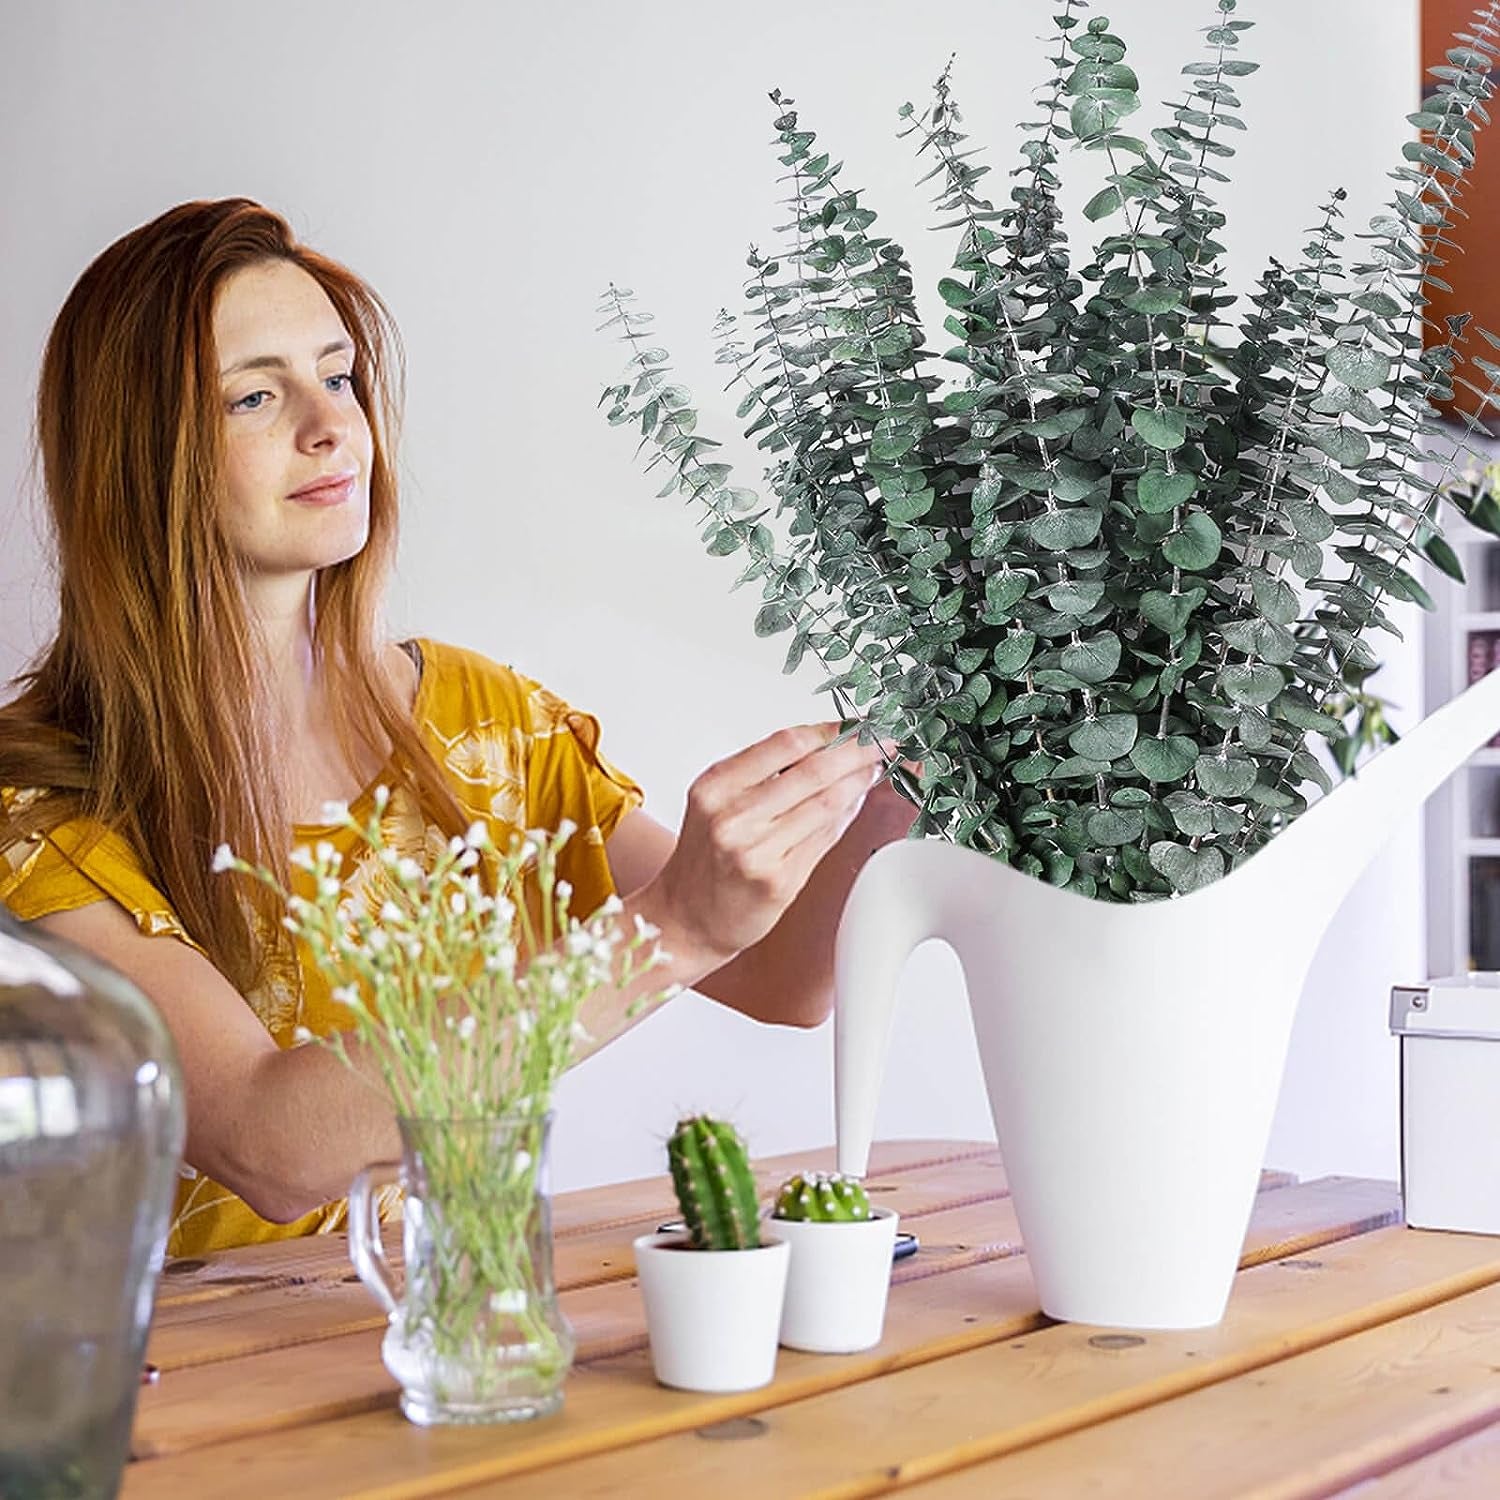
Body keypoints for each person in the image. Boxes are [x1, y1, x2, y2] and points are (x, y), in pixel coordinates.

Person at [0, 199, 915, 1259]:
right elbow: (268, 1141)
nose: (331, 424)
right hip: (187, 1402)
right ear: (137, 458)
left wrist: (890, 789)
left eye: (337, 375)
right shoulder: (43, 800)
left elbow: (783, 981)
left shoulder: (483, 725)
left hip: (466, 1362)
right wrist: (671, 927)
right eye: (255, 395)